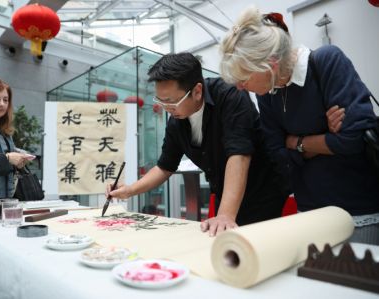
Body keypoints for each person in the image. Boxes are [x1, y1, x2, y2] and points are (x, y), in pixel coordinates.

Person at [219, 7, 379, 244]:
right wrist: (324, 135)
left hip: (356, 208)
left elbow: (353, 139)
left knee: (357, 278)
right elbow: (278, 156)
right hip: (308, 209)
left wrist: (296, 142)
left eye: (244, 78)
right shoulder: (268, 92)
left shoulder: (326, 61)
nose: (240, 87)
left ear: (270, 65)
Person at [107, 52, 288, 236]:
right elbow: (164, 167)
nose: (166, 108)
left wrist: (225, 215)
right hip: (223, 193)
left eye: (171, 101)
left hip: (261, 192)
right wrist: (130, 190)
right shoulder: (176, 120)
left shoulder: (229, 95)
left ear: (197, 91)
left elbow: (239, 155)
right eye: (160, 101)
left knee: (252, 248)